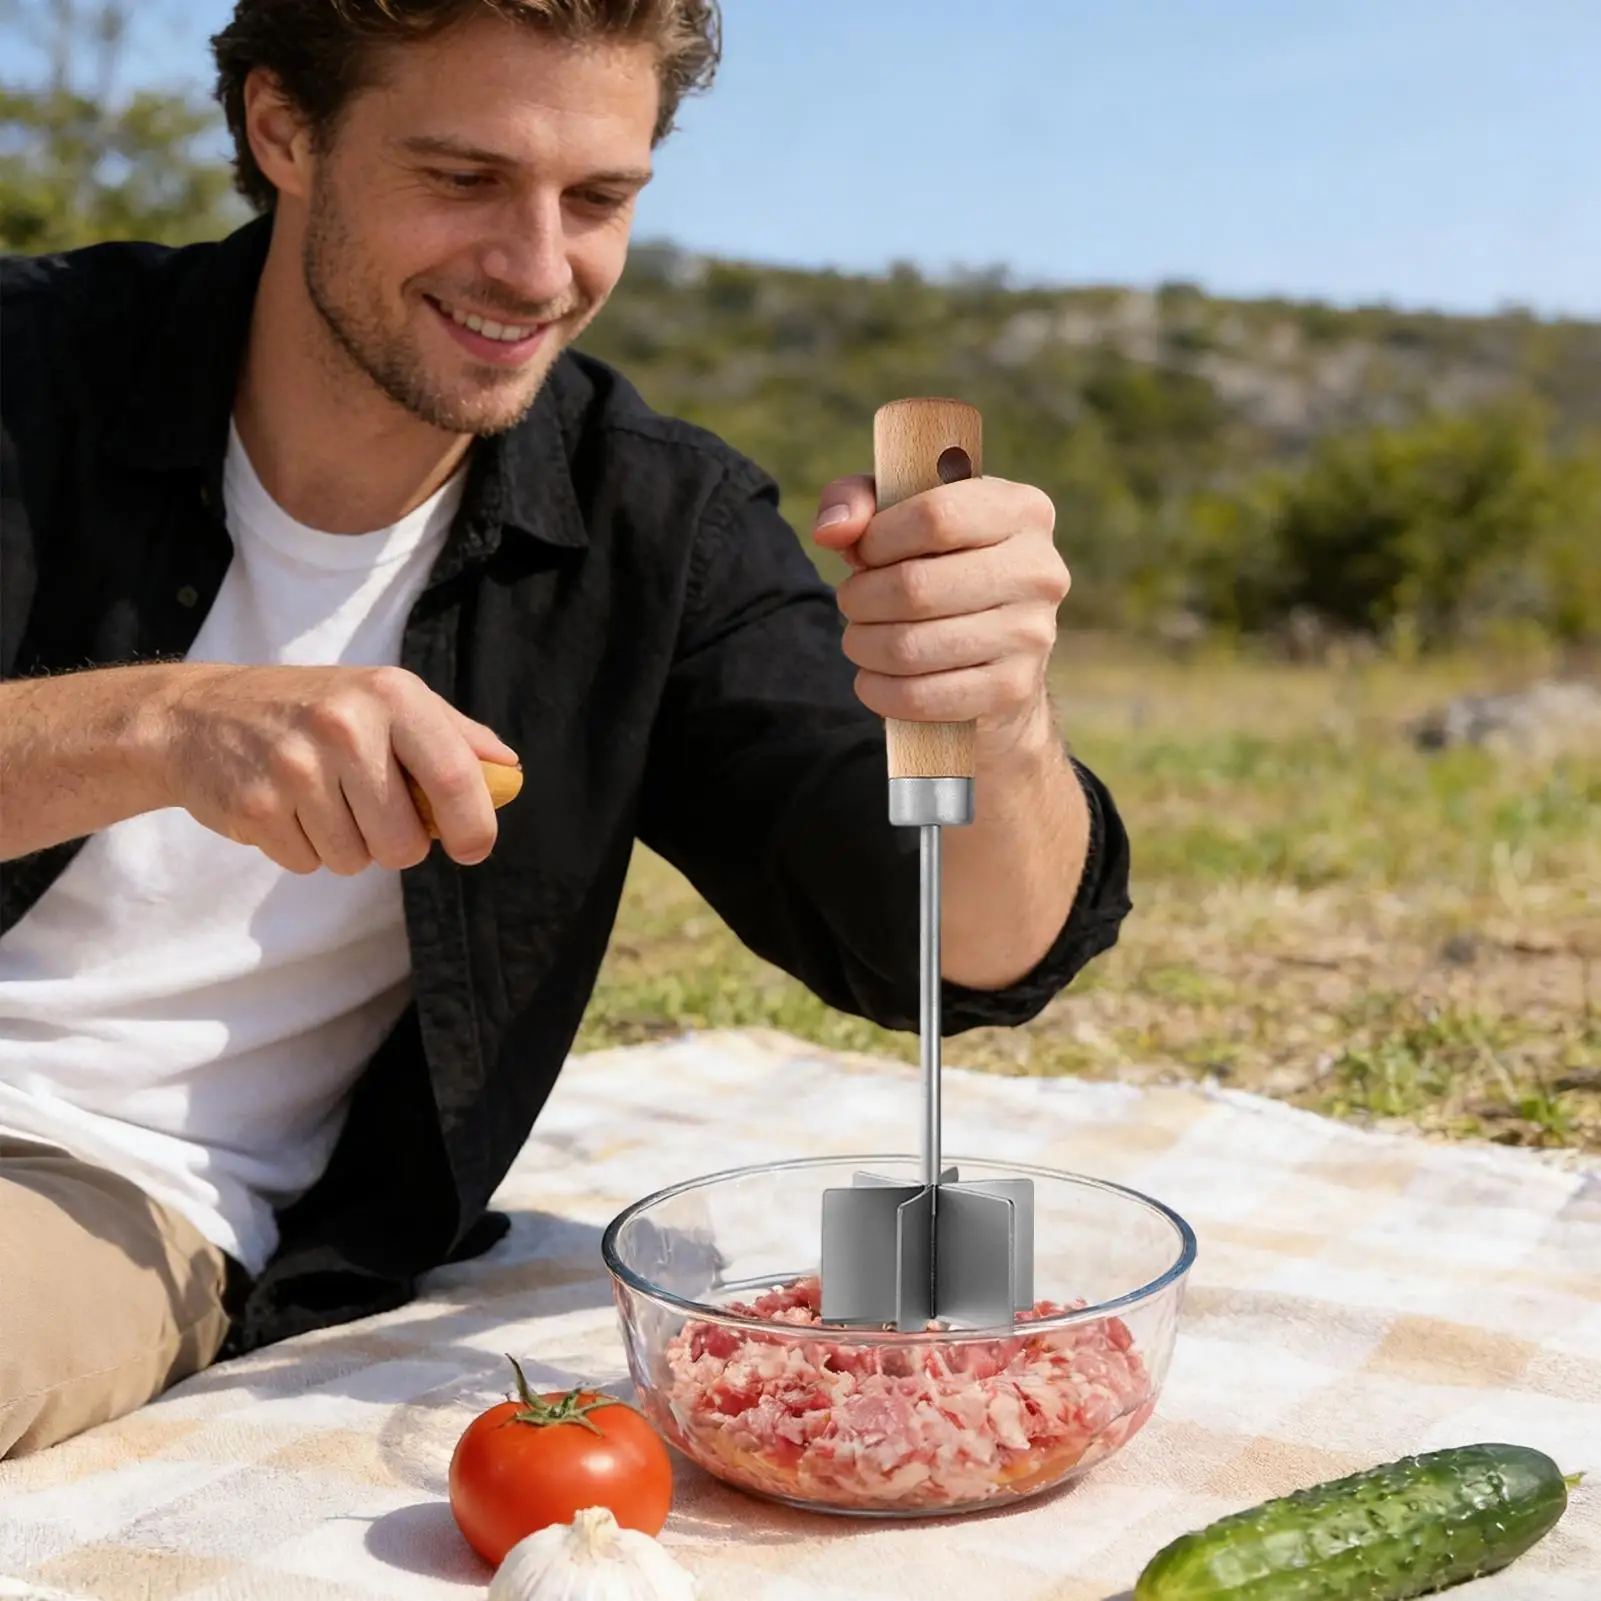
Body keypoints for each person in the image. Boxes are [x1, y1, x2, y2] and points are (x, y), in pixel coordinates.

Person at [0, 0, 1132, 1460]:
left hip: (89, 1184)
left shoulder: (656, 530)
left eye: (598, 198)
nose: (539, 269)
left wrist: (1002, 713)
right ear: (285, 131)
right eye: (462, 180)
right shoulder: (30, 370)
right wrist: (159, 723)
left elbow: (957, 950)